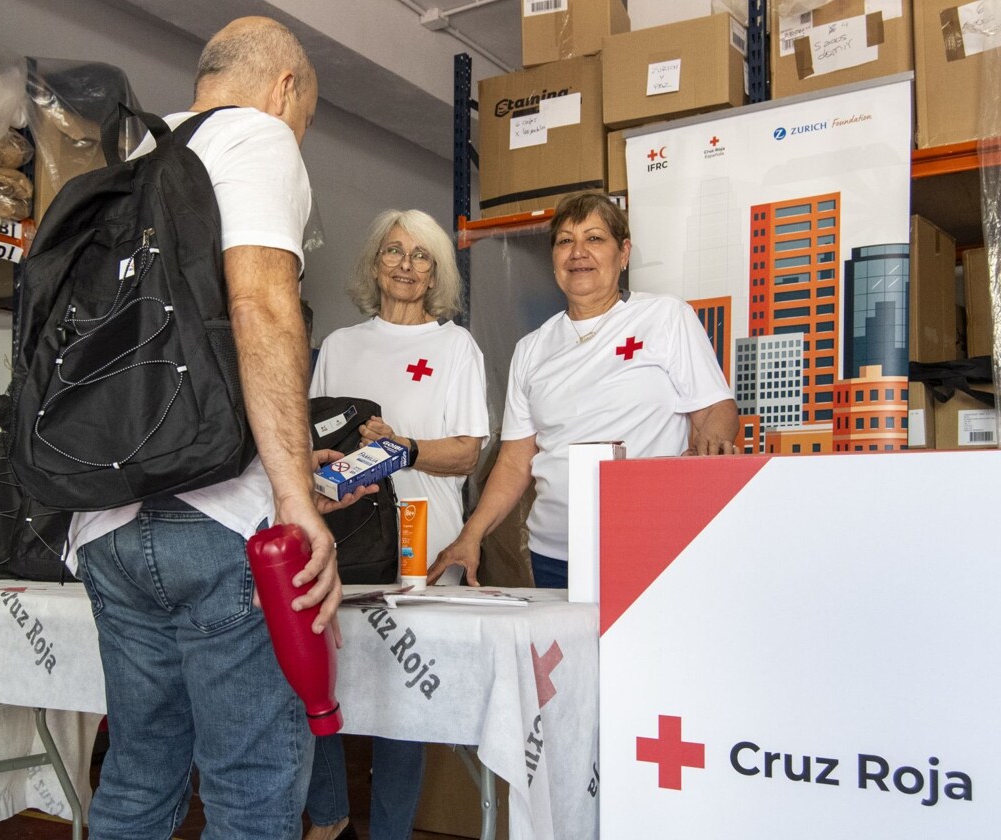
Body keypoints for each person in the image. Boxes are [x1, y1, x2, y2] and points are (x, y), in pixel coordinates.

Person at [65, 18, 367, 840]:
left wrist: (295, 452)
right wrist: (295, 494)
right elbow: (260, 308)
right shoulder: (260, 138)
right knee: (251, 788)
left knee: (136, 776)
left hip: (102, 523)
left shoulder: (129, 161)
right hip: (218, 517)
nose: (299, 134)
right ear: (286, 88)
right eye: (304, 116)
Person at [428, 190, 738, 590]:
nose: (579, 252)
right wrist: (470, 536)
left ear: (623, 253)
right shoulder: (532, 349)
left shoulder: (664, 318)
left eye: (594, 238)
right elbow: (514, 462)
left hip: (651, 545)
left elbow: (715, 408)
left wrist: (712, 438)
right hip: (555, 555)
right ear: (553, 258)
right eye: (565, 241)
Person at [304, 209, 490, 840]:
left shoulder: (453, 346)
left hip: (423, 543)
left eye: (421, 255)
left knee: (402, 705)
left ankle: (389, 834)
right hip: (343, 542)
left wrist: (403, 446)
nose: (406, 265)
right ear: (374, 264)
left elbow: (467, 452)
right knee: (317, 683)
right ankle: (329, 819)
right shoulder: (338, 346)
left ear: (436, 272)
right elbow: (314, 446)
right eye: (394, 251)